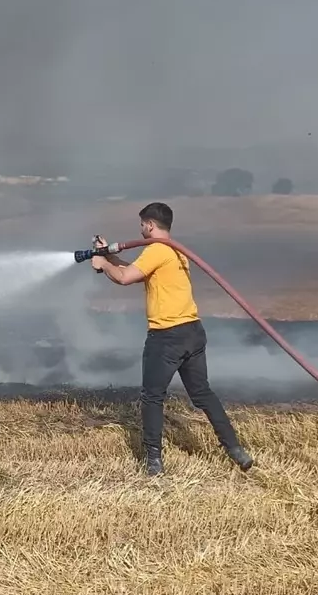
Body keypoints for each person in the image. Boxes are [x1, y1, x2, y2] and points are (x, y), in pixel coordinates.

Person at [90, 201, 254, 476]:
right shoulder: (175, 251)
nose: (140, 229)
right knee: (202, 394)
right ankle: (235, 449)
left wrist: (104, 265)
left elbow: (125, 278)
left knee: (152, 397)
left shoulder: (156, 250)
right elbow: (139, 272)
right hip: (193, 332)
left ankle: (153, 462)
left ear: (150, 225)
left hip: (167, 336)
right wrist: (107, 256)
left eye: (142, 224)